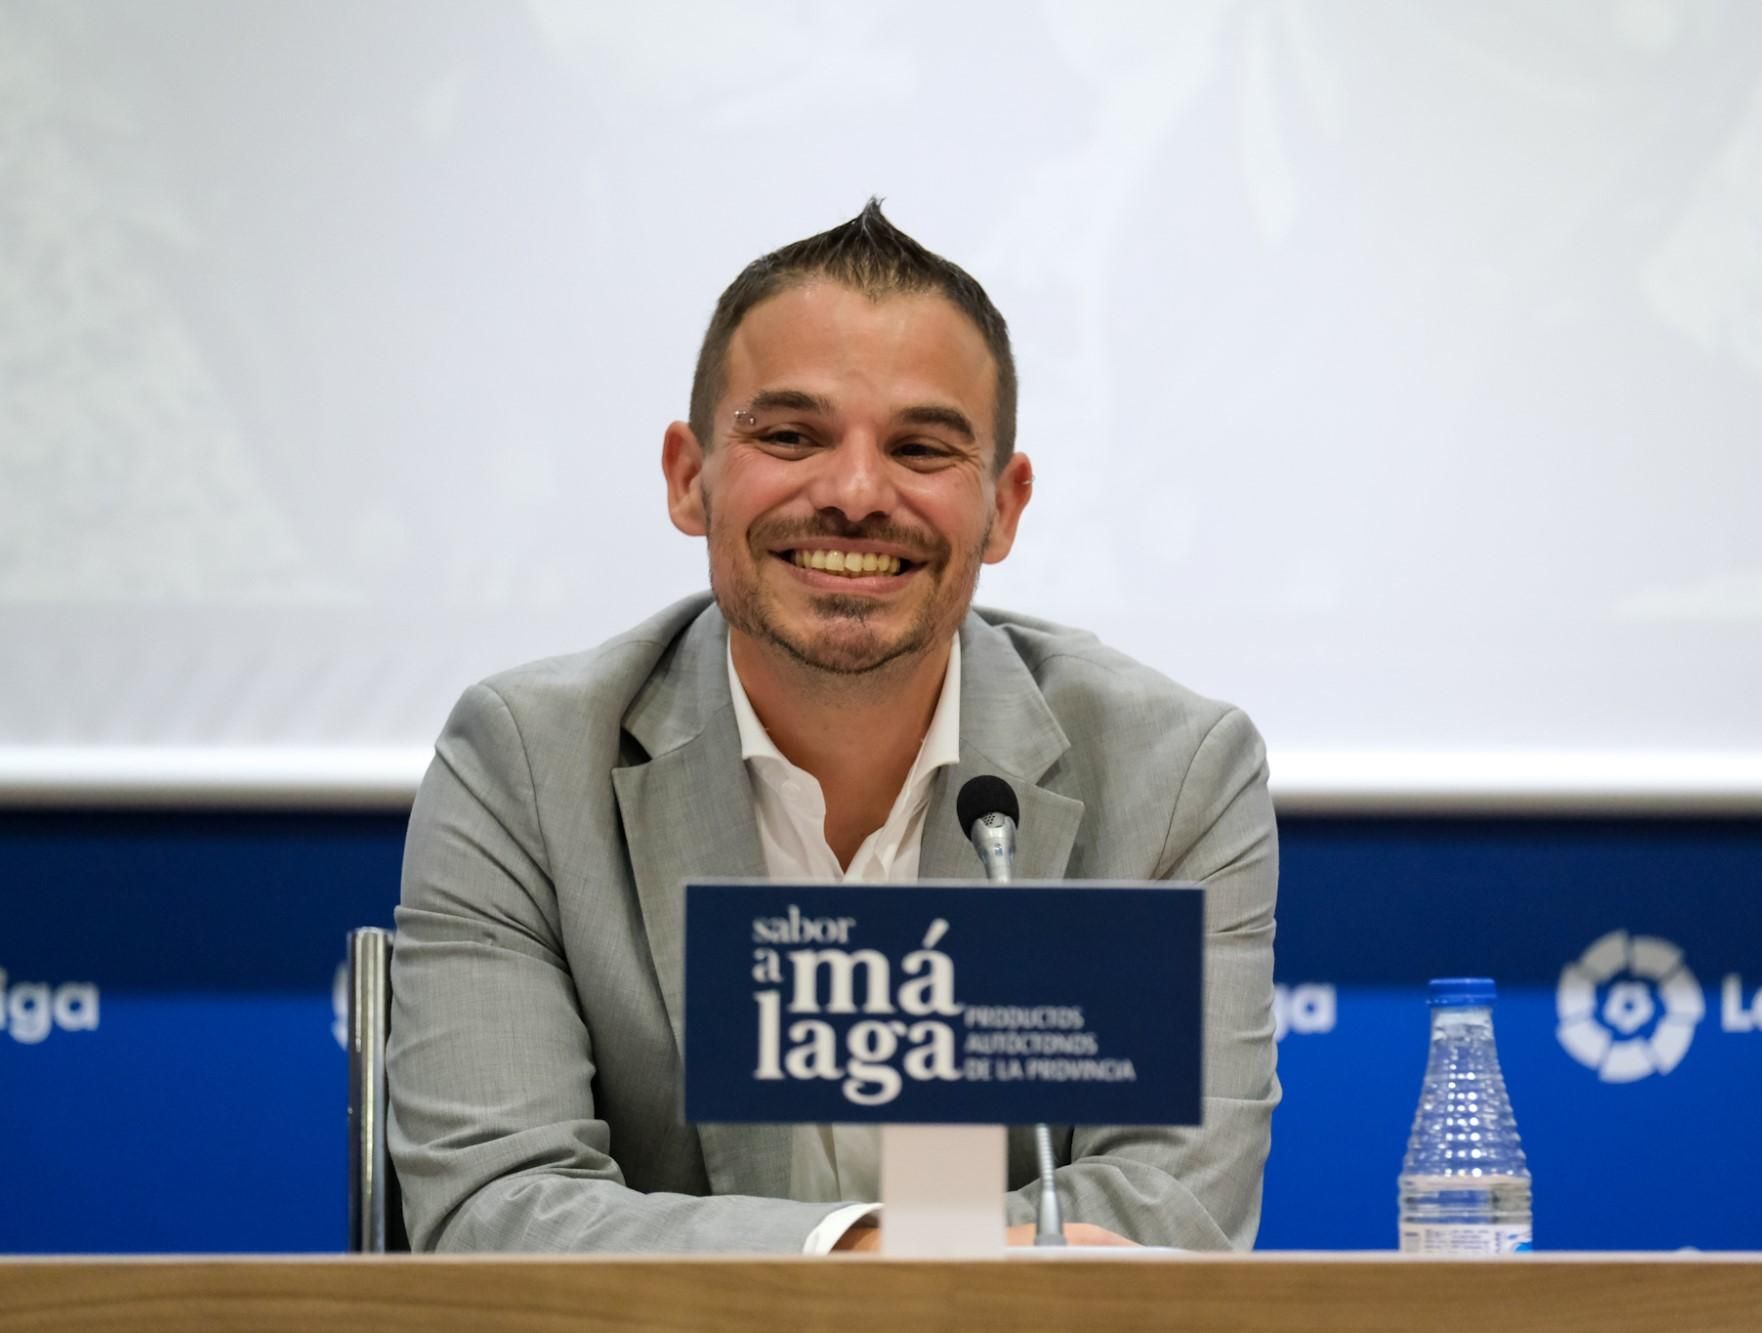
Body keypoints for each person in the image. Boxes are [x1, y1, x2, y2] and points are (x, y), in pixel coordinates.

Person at [388, 201, 1279, 1254]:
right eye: (789, 436)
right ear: (688, 477)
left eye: (920, 447)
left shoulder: (1170, 773)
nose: (855, 494)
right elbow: (499, 1210)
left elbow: (1165, 1215)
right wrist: (863, 1256)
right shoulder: (526, 764)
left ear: (1004, 506)